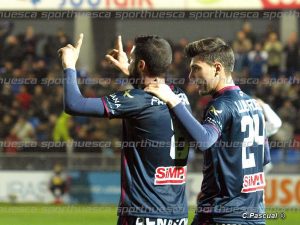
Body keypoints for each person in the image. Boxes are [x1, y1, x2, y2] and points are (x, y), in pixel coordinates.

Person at [58, 34, 191, 225]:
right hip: (177, 216)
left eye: (133, 59)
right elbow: (150, 91)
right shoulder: (180, 97)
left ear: (142, 65)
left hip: (142, 214)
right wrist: (132, 71)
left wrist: (69, 65)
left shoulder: (135, 99)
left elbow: (74, 104)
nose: (130, 61)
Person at [145, 38, 270, 225]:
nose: (191, 76)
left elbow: (204, 140)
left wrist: (173, 101)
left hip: (221, 216)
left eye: (196, 68)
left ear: (217, 68)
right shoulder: (254, 105)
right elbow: (264, 158)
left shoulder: (221, 105)